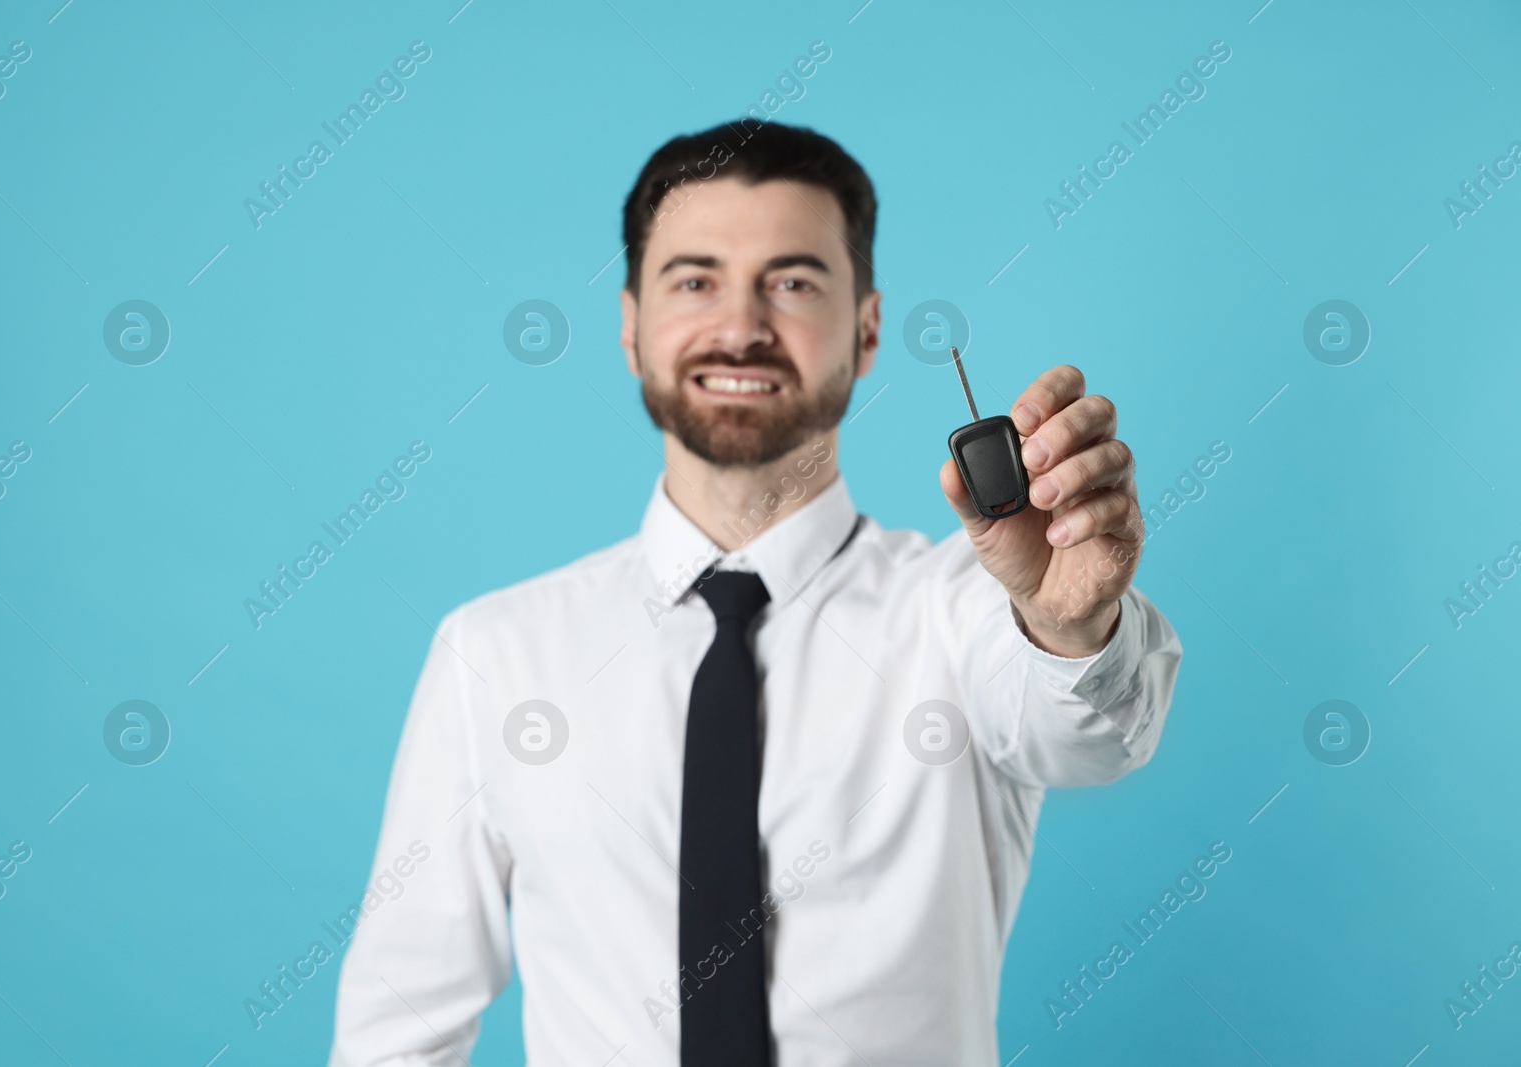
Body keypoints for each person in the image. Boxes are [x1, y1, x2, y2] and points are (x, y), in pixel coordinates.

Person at [328, 119, 1182, 1067]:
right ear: (630, 327)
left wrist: (1070, 623)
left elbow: (1092, 735)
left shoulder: (967, 611)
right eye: (694, 281)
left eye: (793, 282)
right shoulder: (493, 653)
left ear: (865, 332)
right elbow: (396, 1029)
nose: (741, 326)